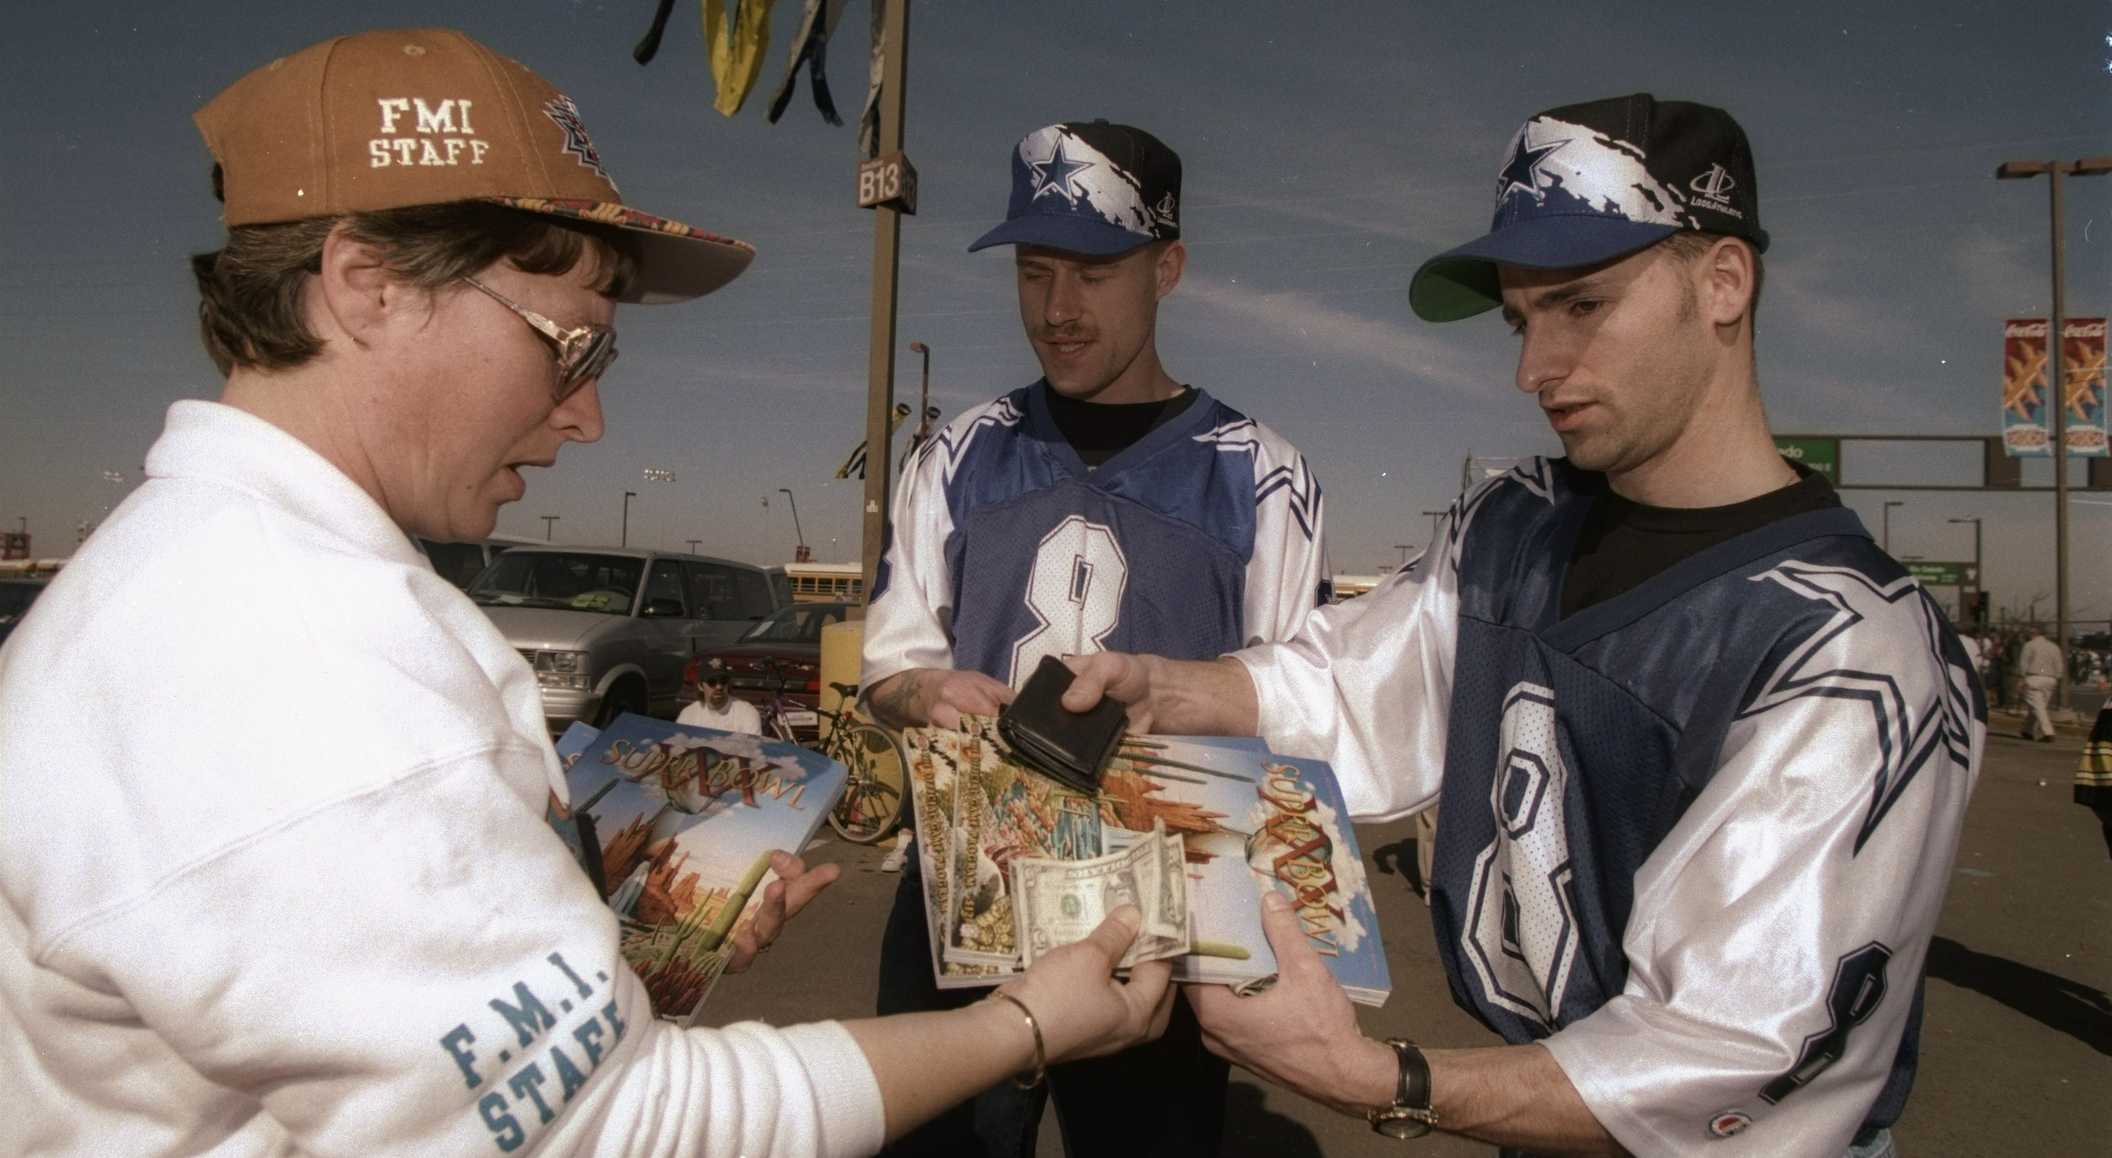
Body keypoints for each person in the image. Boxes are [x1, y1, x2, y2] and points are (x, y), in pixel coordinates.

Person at [0, 30, 1174, 1158]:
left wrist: (602, 947)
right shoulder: (297, 654)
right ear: (366, 286)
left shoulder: (208, 578)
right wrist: (1022, 1024)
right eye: (570, 346)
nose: (588, 416)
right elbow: (614, 1130)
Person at [1065, 94, 1983, 1158]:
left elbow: (1728, 1059)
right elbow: (1355, 681)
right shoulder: (1516, 522)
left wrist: (1378, 1078)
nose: (1533, 368)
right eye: (1521, 319)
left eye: (1581, 305)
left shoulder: (1854, 647)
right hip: (1542, 1114)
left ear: (1724, 283)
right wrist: (1171, 686)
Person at [858, 121, 1330, 1157]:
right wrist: (924, 695)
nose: (1057, 309)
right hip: (965, 889)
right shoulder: (955, 455)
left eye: (1094, 273)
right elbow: (888, 670)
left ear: (1167, 268)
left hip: (1160, 910)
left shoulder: (1261, 473)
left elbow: (1302, 709)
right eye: (1035, 272)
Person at [679, 655, 765, 734]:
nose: (719, 686)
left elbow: (754, 745)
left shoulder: (746, 713)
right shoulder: (689, 715)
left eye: (723, 680)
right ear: (700, 686)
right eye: (712, 682)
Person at [2020, 626, 2062, 741]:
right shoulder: (2054, 646)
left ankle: (2048, 732)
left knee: (2038, 708)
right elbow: (2059, 664)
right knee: (2039, 706)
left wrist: (2022, 677)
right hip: (2050, 678)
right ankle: (2027, 730)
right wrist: (2057, 676)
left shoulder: (2029, 645)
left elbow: (2024, 663)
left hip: (2034, 677)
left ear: (2033, 634)